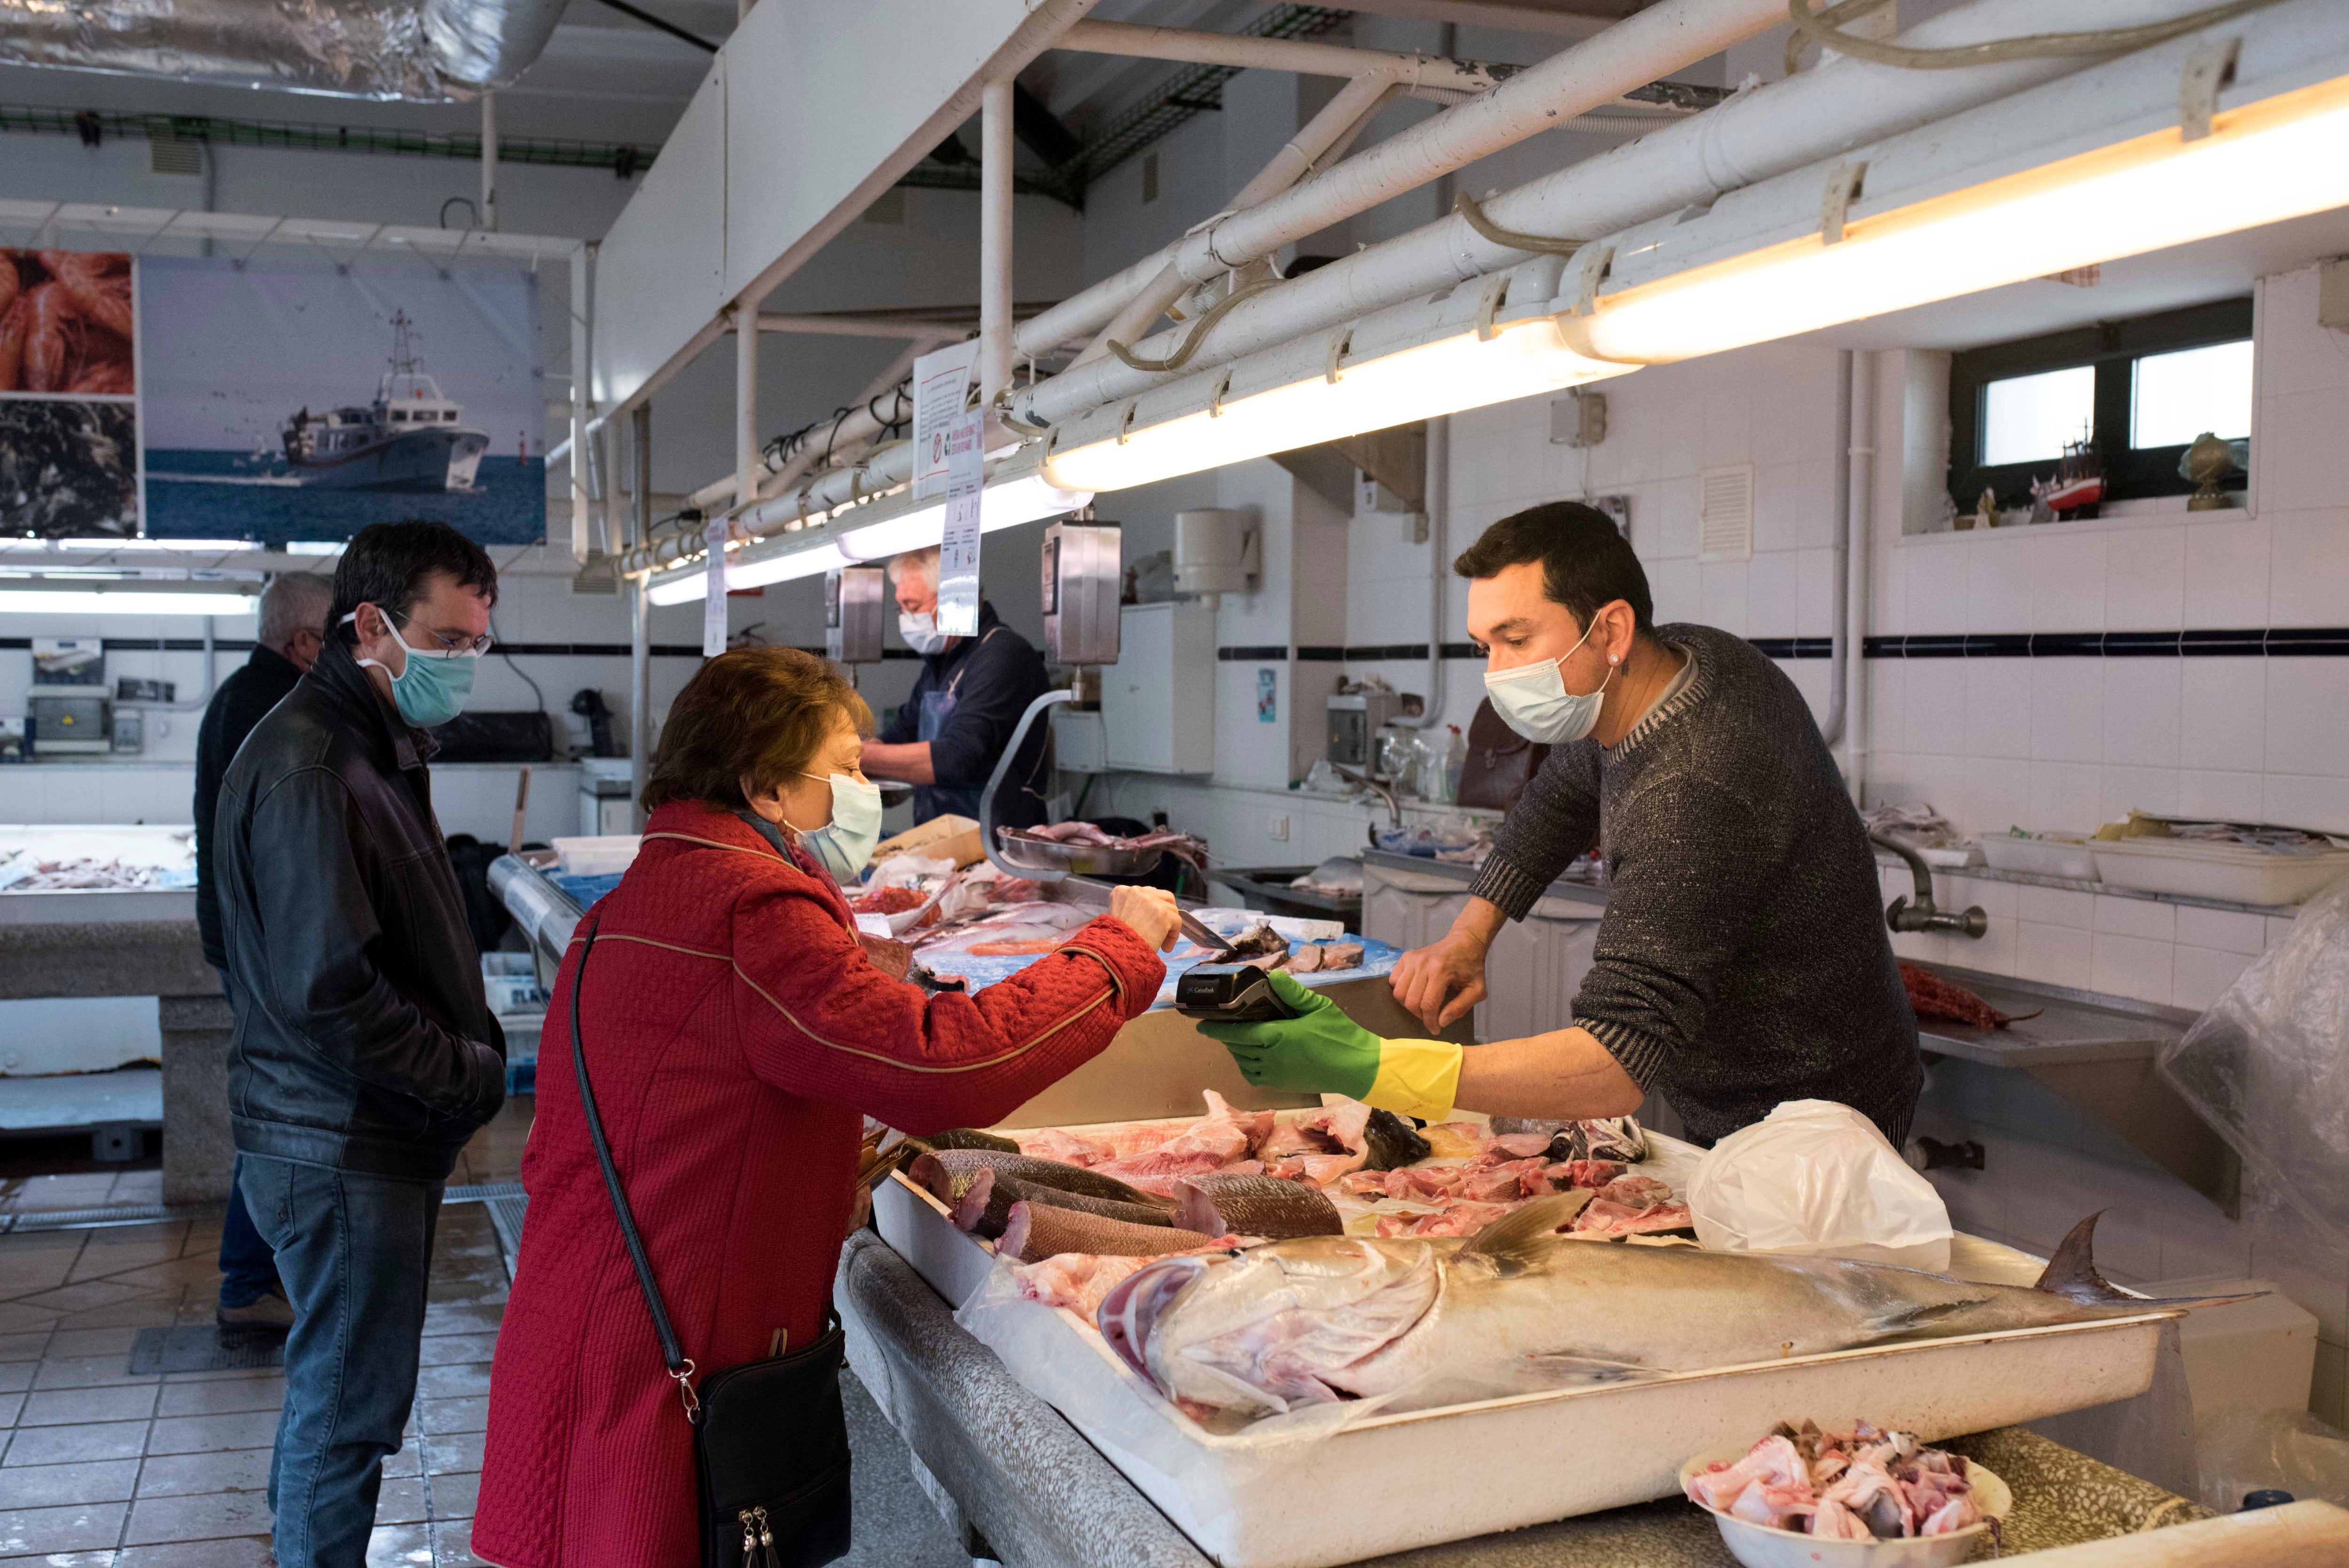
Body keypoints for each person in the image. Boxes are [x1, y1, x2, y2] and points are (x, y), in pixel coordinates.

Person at [473, 647, 1179, 1568]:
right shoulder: (748, 910)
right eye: (843, 765)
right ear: (767, 786)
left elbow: (704, 1094)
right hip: (655, 1370)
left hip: (595, 1325)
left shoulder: (652, 891)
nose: (859, 784)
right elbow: (944, 1067)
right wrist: (1117, 951)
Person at [1203, 502, 1921, 1149]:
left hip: (1823, 1111)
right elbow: (1560, 796)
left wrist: (1375, 1065)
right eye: (1485, 644)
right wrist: (1468, 938)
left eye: (1515, 639)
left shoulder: (1692, 787)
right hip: (1738, 1086)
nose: (1497, 672)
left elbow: (1612, 1061)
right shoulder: (1675, 661)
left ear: (1610, 628)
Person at [213, 520, 510, 1568]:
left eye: (479, 643)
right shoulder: (312, 766)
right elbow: (329, 994)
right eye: (447, 641)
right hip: (339, 1143)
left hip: (356, 1133)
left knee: (333, 1404)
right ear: (369, 624)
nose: (462, 666)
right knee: (347, 1415)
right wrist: (471, 1071)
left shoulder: (370, 741)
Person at [194, 569, 331, 1333]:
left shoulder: (241, 695)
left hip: (248, 939)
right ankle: (248, 1279)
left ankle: (260, 1272)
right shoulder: (277, 707)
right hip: (265, 946)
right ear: (305, 641)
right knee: (280, 1113)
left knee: (280, 1107)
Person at [860, 543, 1053, 828]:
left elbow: (957, 757)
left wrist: (861, 756)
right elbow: (903, 731)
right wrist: (865, 750)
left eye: (913, 607)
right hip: (941, 832)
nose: (906, 618)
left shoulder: (1002, 654)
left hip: (996, 839)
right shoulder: (943, 660)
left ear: (956, 599)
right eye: (901, 607)